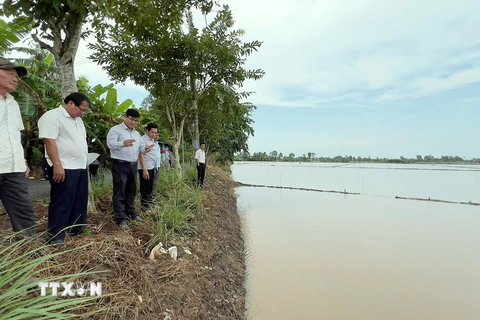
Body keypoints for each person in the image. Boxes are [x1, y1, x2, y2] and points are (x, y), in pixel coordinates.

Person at [38, 92, 91, 247]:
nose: (82, 113)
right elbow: (49, 141)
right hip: (64, 166)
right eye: (81, 109)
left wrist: (85, 162)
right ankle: (56, 236)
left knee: (79, 199)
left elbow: (80, 142)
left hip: (79, 166)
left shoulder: (78, 121)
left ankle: (76, 228)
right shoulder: (52, 116)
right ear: (70, 103)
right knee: (62, 201)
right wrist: (57, 165)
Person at [0, 57, 36, 238]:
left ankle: (29, 252)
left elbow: (15, 134)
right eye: (10, 74)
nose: (15, 79)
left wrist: (22, 160)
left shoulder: (13, 103)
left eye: (17, 76)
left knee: (24, 209)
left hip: (13, 168)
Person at [107, 109, 155, 230]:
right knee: (120, 191)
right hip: (120, 164)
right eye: (131, 119)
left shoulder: (137, 134)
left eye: (136, 120)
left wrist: (146, 149)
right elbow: (110, 144)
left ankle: (131, 214)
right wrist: (123, 143)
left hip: (133, 165)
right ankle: (120, 218)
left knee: (131, 190)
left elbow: (140, 149)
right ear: (125, 117)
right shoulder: (116, 130)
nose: (133, 122)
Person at [138, 123, 160, 211]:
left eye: (156, 133)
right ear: (147, 131)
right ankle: (145, 207)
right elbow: (141, 155)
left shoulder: (152, 141)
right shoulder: (142, 140)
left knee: (150, 187)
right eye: (153, 132)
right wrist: (144, 169)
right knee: (145, 187)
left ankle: (149, 204)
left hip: (152, 167)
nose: (154, 134)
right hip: (145, 168)